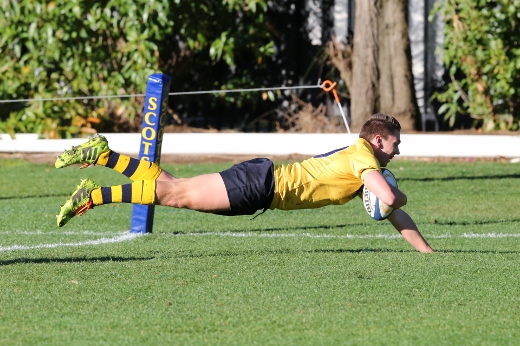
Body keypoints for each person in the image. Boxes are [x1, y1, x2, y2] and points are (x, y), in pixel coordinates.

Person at [55, 113, 434, 253]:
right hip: (260, 186)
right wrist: (399, 193)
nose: (397, 152)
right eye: (396, 144)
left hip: (260, 183)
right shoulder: (367, 159)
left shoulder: (362, 161)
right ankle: (96, 193)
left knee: (173, 187)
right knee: (174, 195)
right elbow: (389, 199)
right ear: (380, 139)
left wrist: (428, 255)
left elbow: (394, 214)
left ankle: (101, 155)